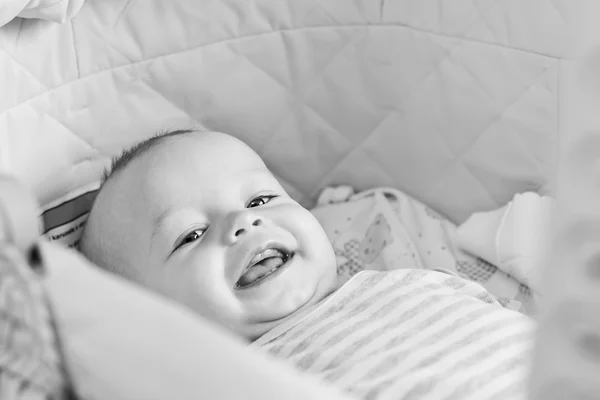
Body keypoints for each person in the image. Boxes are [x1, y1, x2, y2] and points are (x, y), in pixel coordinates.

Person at [80, 129, 533, 399]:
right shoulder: (215, 384)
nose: (242, 222)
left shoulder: (414, 282)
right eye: (190, 235)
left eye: (260, 198)